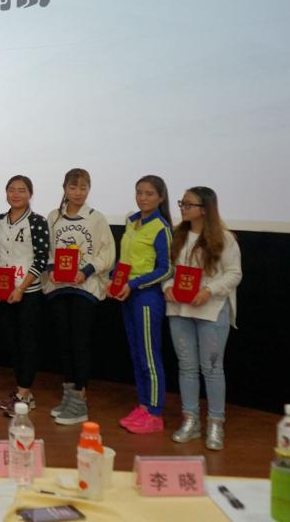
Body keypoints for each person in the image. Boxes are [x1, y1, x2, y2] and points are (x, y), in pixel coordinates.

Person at [165, 187, 242, 450]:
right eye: (182, 203)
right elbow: (168, 270)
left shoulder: (224, 238)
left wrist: (209, 290)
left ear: (205, 209)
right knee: (187, 366)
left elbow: (234, 273)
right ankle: (191, 419)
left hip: (211, 310)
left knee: (212, 368)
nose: (183, 208)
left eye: (188, 204)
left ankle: (216, 422)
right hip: (180, 310)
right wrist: (167, 286)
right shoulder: (177, 234)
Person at [42, 168, 115, 425]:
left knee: (79, 342)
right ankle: (69, 396)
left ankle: (80, 400)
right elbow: (48, 249)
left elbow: (107, 253)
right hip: (59, 287)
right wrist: (52, 268)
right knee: (64, 342)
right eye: (73, 187)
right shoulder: (53, 217)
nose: (78, 193)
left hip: (85, 288)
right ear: (64, 188)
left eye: (83, 188)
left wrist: (86, 271)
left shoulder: (96, 218)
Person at [114, 175, 173, 434]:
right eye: (139, 192)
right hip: (126, 294)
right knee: (136, 353)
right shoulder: (132, 220)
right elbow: (124, 260)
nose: (143, 198)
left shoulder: (161, 227)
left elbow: (166, 268)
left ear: (161, 197)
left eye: (149, 193)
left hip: (146, 298)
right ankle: (143, 405)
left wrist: (134, 284)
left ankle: (155, 413)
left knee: (149, 355)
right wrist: (114, 280)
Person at [0, 174, 50, 417]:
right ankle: (22, 391)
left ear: (30, 194)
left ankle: (24, 395)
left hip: (28, 293)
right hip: (4, 291)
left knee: (27, 343)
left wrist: (21, 288)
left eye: (22, 190)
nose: (16, 194)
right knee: (12, 343)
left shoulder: (37, 221)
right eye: (12, 189)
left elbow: (41, 259)